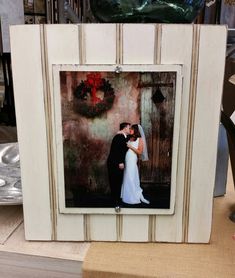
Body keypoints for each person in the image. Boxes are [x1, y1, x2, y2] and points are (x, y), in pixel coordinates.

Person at [121, 124, 150, 205]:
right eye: (130, 129)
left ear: (136, 130)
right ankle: (127, 196)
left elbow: (140, 152)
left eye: (132, 129)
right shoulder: (129, 138)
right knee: (127, 177)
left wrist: (130, 147)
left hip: (132, 159)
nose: (130, 130)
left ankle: (138, 196)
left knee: (132, 177)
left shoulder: (140, 139)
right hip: (127, 159)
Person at [107, 122, 131, 211]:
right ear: (124, 128)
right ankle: (115, 203)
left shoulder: (122, 136)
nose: (130, 129)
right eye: (129, 128)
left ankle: (116, 200)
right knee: (115, 182)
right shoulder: (119, 137)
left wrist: (120, 132)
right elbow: (116, 151)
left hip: (116, 163)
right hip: (114, 163)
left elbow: (126, 140)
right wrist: (120, 162)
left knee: (118, 182)